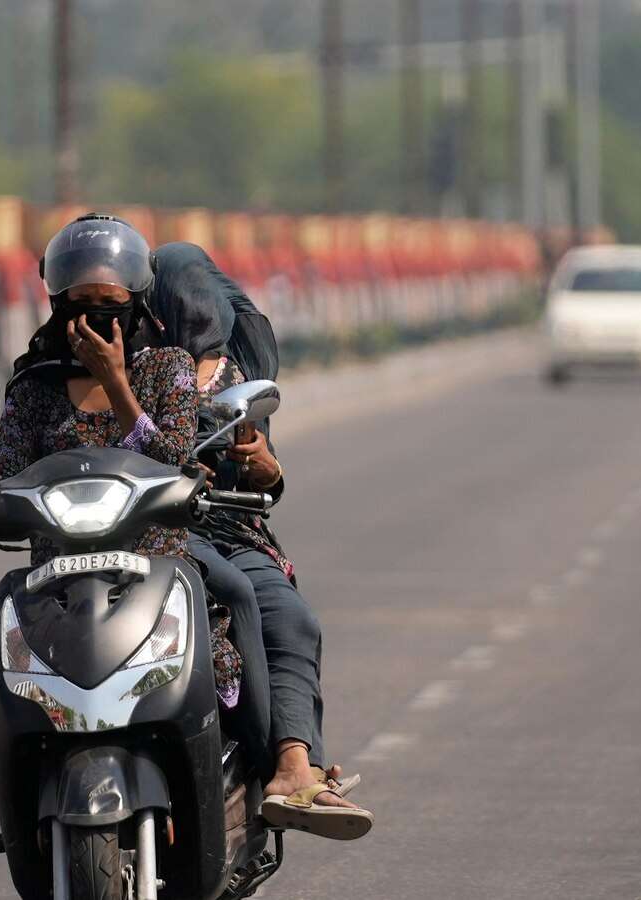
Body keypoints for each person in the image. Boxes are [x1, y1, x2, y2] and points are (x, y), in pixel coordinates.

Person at [152, 241, 373, 841]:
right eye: (183, 298)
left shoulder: (237, 375)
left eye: (204, 299)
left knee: (293, 619)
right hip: (160, 531)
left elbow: (269, 483)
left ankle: (294, 768)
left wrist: (263, 463)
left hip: (233, 526)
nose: (196, 312)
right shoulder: (146, 367)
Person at [0, 215, 198, 570]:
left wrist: (114, 381)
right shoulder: (35, 385)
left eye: (110, 300)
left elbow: (173, 466)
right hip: (57, 577)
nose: (97, 312)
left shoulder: (169, 368)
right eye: (84, 300)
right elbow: (2, 478)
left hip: (153, 569)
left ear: (135, 303)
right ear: (61, 304)